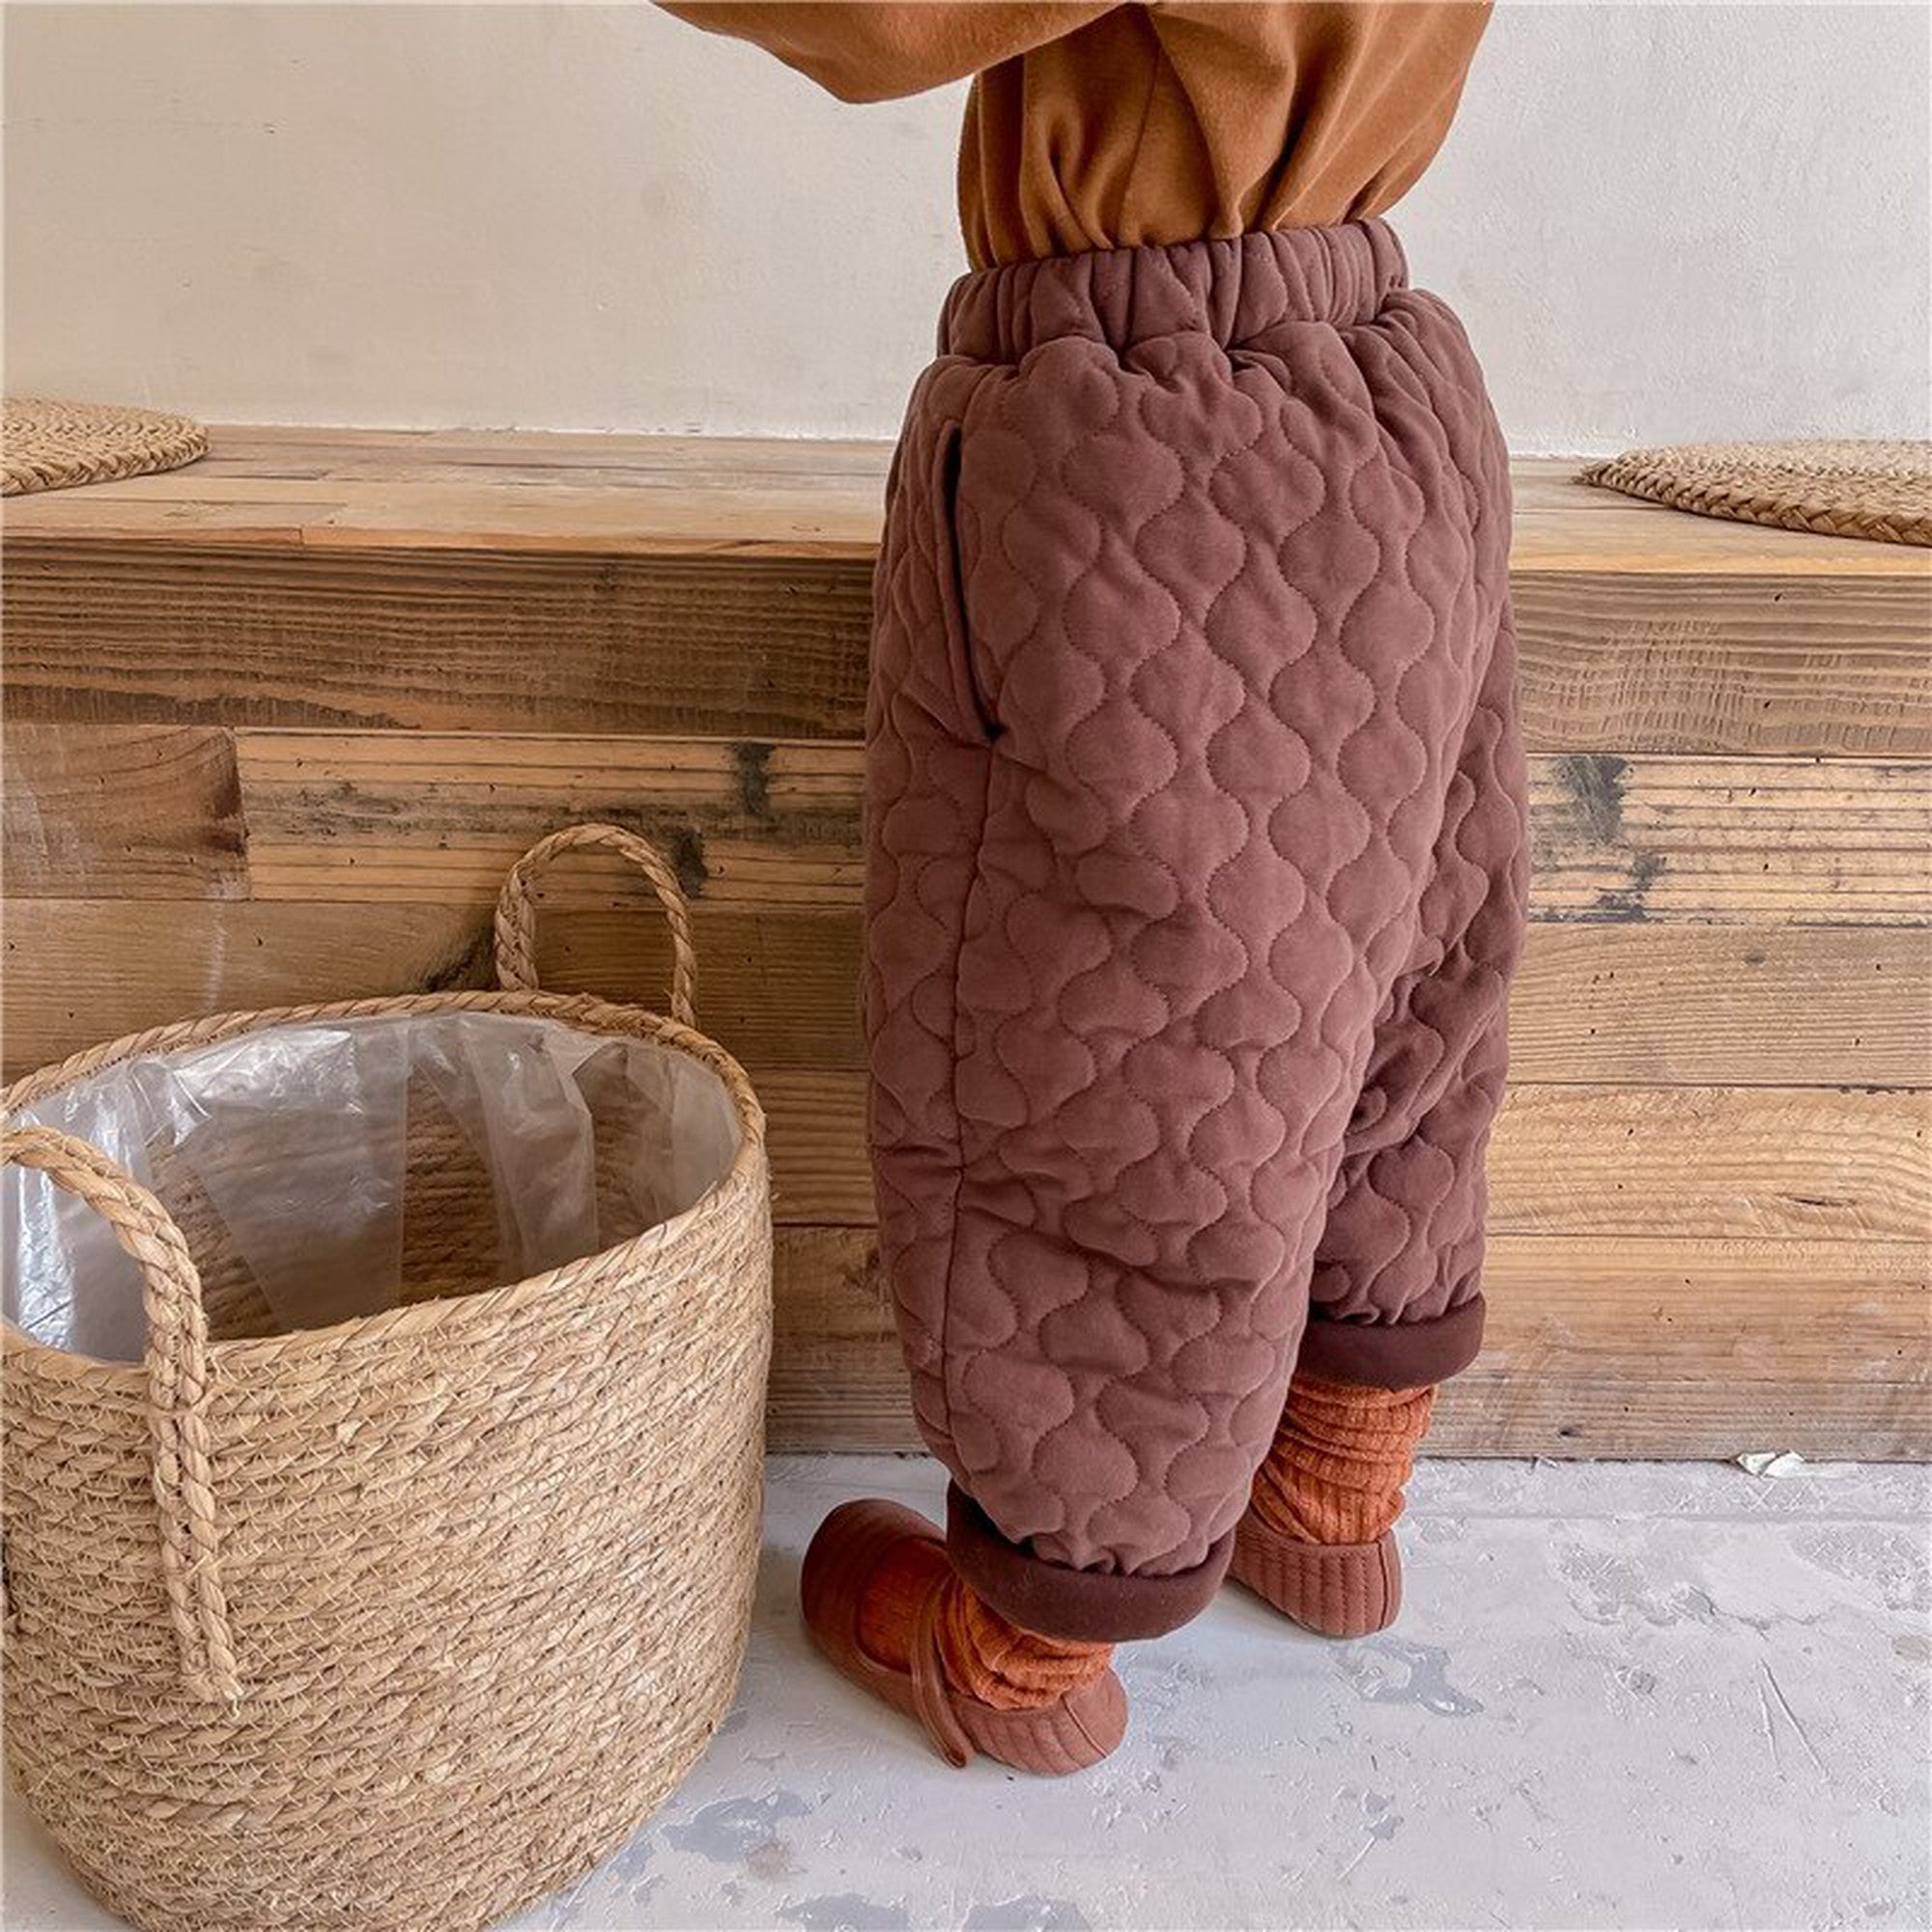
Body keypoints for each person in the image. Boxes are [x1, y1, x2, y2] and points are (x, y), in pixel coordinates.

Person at [663, 0, 1526, 1776]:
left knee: (1107, 1069)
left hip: (1147, 442)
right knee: (1397, 981)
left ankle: (1025, 1653)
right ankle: (1332, 1501)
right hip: (1393, 379)